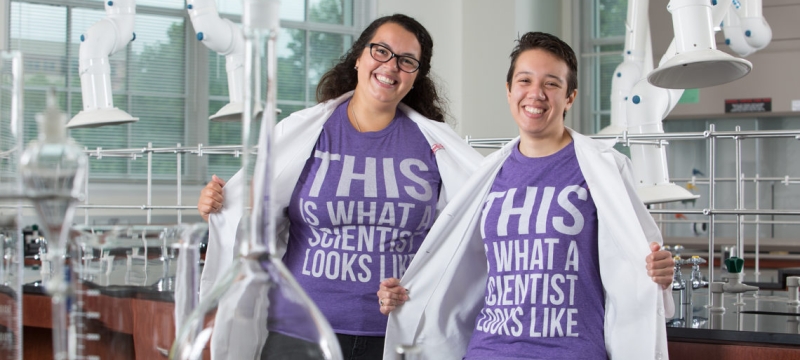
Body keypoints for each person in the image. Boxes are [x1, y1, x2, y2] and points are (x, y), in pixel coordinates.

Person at [198, 14, 484, 360]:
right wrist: (218, 204)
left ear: (416, 75)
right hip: (298, 335)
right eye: (381, 51)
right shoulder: (303, 132)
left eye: (407, 61)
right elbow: (252, 211)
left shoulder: (435, 146)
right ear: (359, 57)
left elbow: (465, 231)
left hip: (396, 334)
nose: (391, 67)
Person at [379, 32, 675, 359]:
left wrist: (659, 271)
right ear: (509, 91)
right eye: (524, 80)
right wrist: (403, 293)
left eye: (552, 84)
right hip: (489, 351)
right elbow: (445, 266)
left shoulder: (605, 169)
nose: (536, 94)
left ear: (570, 97)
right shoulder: (484, 176)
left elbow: (641, 260)